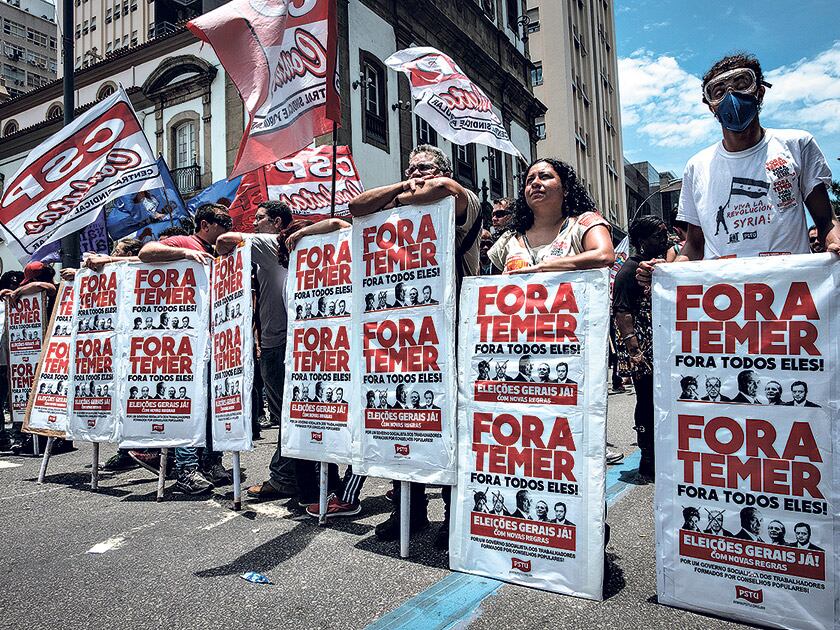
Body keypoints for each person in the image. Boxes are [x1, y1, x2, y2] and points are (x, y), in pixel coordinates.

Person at [346, 143, 482, 546]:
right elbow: (356, 207)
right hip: (405, 334)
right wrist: (403, 189)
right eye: (410, 169)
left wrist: (407, 192)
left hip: (451, 329)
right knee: (403, 419)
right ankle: (409, 508)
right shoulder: (403, 205)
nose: (415, 176)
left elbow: (445, 190)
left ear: (443, 170)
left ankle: (453, 515)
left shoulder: (463, 200)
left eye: (423, 168)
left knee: (451, 424)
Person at [637, 53, 840, 286]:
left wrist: (835, 242)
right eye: (719, 92)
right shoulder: (697, 166)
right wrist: (664, 272)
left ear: (759, 92)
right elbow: (694, 245)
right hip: (725, 295)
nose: (731, 97)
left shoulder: (796, 145)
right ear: (711, 106)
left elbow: (826, 220)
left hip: (789, 289)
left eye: (742, 84)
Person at [136, 203, 232, 494]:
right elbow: (146, 252)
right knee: (191, 405)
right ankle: (186, 469)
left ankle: (211, 462)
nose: (228, 227)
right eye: (223, 222)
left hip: (218, 338)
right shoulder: (184, 242)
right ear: (205, 224)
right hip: (188, 340)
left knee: (215, 406)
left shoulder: (222, 251)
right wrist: (186, 254)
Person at [216, 201, 306, 503]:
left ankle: (284, 478)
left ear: (277, 223)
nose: (253, 223)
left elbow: (223, 241)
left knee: (287, 417)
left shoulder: (269, 244)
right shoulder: (283, 247)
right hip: (285, 340)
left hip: (278, 343)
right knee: (293, 415)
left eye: (259, 218)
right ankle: (301, 477)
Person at [613, 216, 671, 478]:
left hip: (660, 346)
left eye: (665, 234)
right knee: (646, 400)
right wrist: (635, 351)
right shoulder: (629, 270)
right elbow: (622, 311)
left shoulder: (660, 266)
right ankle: (648, 459)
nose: (665, 240)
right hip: (643, 350)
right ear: (642, 241)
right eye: (658, 235)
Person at [488, 159, 615, 274]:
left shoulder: (584, 223)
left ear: (565, 188)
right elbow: (490, 283)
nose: (535, 183)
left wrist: (544, 267)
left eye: (545, 177)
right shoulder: (508, 238)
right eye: (529, 180)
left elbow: (604, 256)